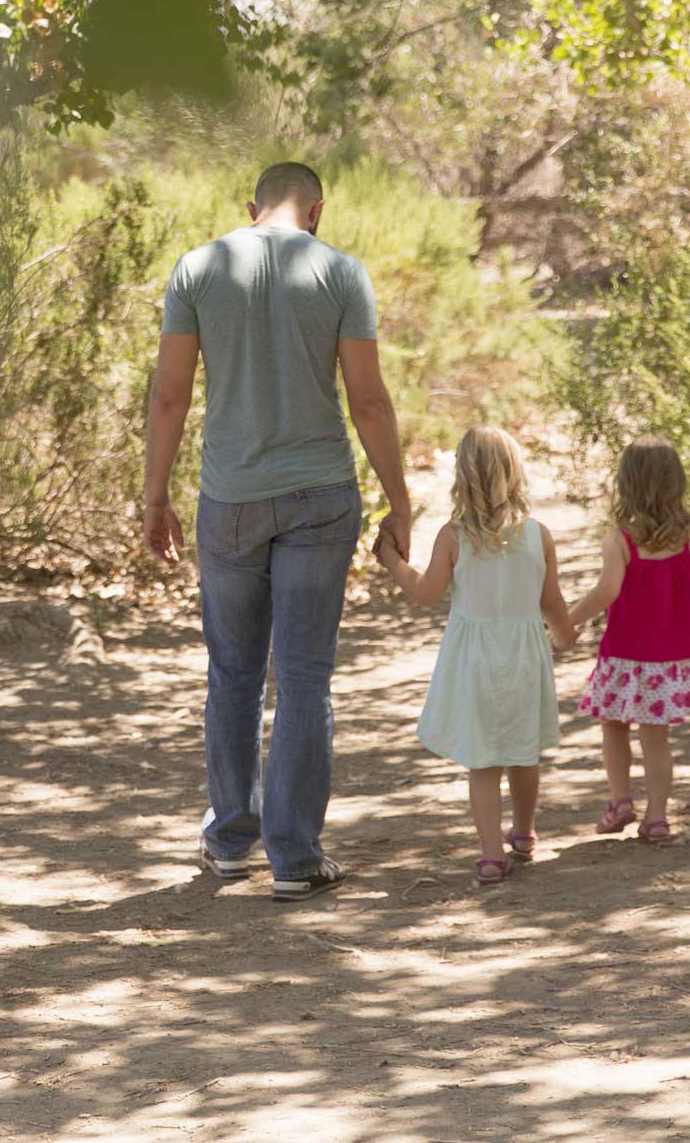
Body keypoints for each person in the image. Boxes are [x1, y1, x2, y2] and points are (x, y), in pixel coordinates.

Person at [144, 161, 411, 902]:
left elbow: (169, 396)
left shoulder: (196, 268)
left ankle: (231, 839)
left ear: (251, 206)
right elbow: (369, 399)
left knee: (232, 671)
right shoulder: (341, 273)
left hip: (228, 498)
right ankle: (294, 856)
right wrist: (401, 498)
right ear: (317, 209)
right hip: (320, 495)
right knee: (303, 675)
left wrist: (155, 496)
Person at [376, 426, 574, 886]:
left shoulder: (454, 536)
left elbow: (426, 593)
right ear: (515, 473)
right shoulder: (538, 535)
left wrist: (392, 563)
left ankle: (490, 855)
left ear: (461, 477)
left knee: (484, 760)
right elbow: (552, 600)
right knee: (524, 752)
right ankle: (523, 833)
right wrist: (564, 635)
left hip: (474, 660)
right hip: (525, 653)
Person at [564, 436, 690, 845]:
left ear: (625, 484)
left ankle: (620, 800)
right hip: (669, 659)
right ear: (676, 484)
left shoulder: (620, 539)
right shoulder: (685, 532)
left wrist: (565, 622)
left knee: (613, 725)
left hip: (624, 653)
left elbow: (606, 593)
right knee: (656, 737)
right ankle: (656, 818)